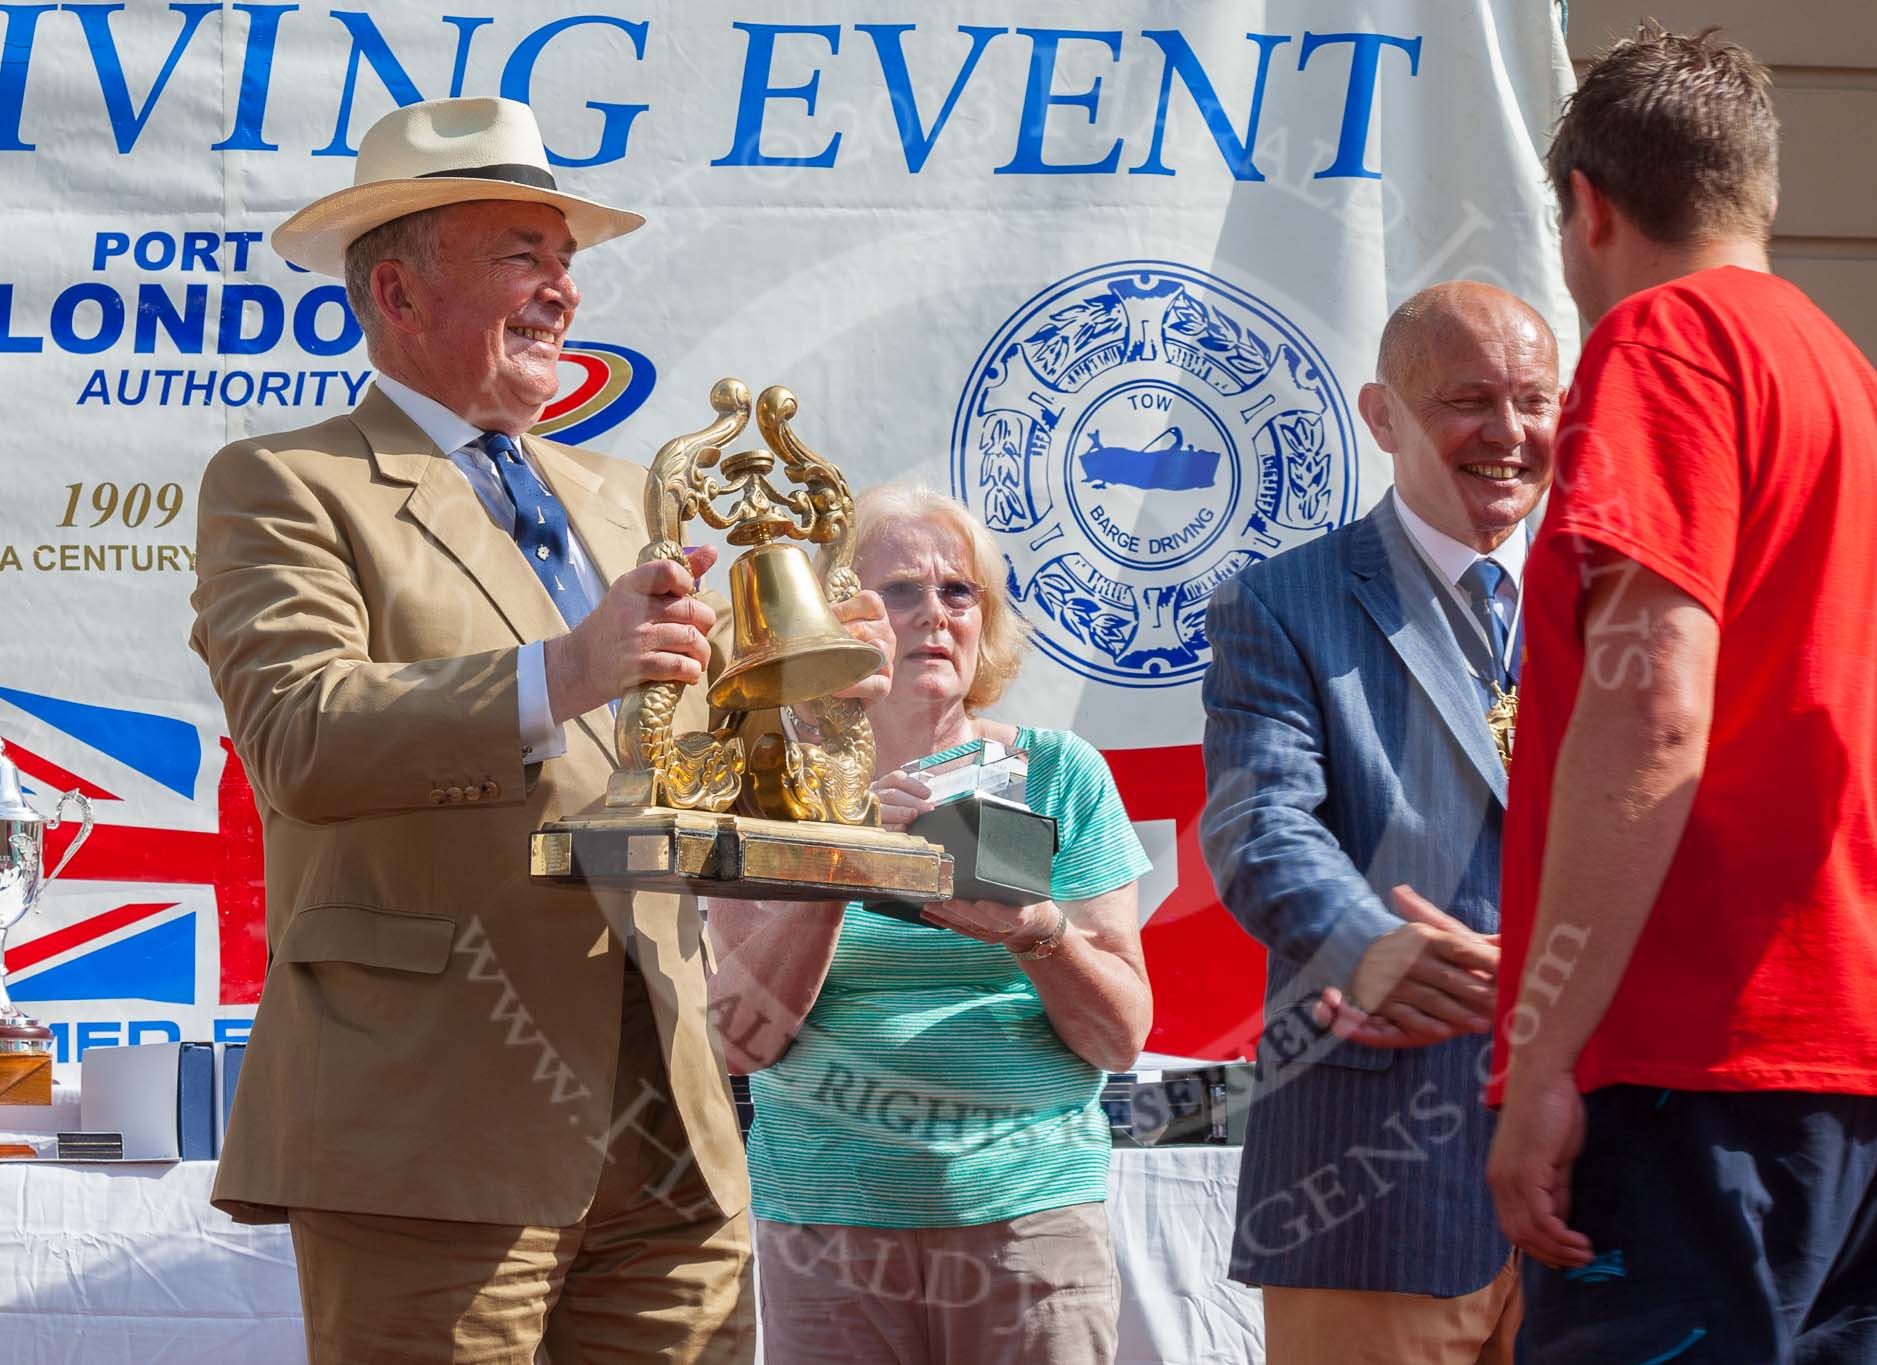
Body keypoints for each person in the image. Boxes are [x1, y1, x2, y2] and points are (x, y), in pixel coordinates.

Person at [188, 97, 887, 1363]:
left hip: (670, 1128)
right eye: (523, 253)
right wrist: (562, 669)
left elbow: (699, 763)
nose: (561, 289)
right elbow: (297, 738)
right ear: (398, 292)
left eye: (566, 261)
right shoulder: (285, 483)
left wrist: (812, 697)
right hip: (431, 1125)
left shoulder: (625, 497)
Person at [1475, 26, 1877, 1364]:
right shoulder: (1873, 410)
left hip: (1696, 1062)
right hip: (1859, 1059)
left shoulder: (1664, 344)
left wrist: (1541, 1051)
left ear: (1588, 205)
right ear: (1755, 190)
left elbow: (1655, 714)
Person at [704, 482, 1152, 1365]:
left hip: (1029, 1223)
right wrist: (848, 854)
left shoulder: (1058, 771)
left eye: (960, 592)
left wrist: (1038, 932)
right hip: (829, 1224)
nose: (935, 615)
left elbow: (1121, 1035)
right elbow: (739, 1042)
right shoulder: (771, 788)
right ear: (840, 620)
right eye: (901, 591)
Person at [1201, 281, 1561, 1363]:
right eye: (1467, 400)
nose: (1507, 434)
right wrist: (1370, 948)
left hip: (1596, 1198)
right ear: (1379, 414)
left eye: (1534, 400)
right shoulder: (1280, 603)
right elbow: (1259, 826)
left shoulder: (1619, 603)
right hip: (1369, 1190)